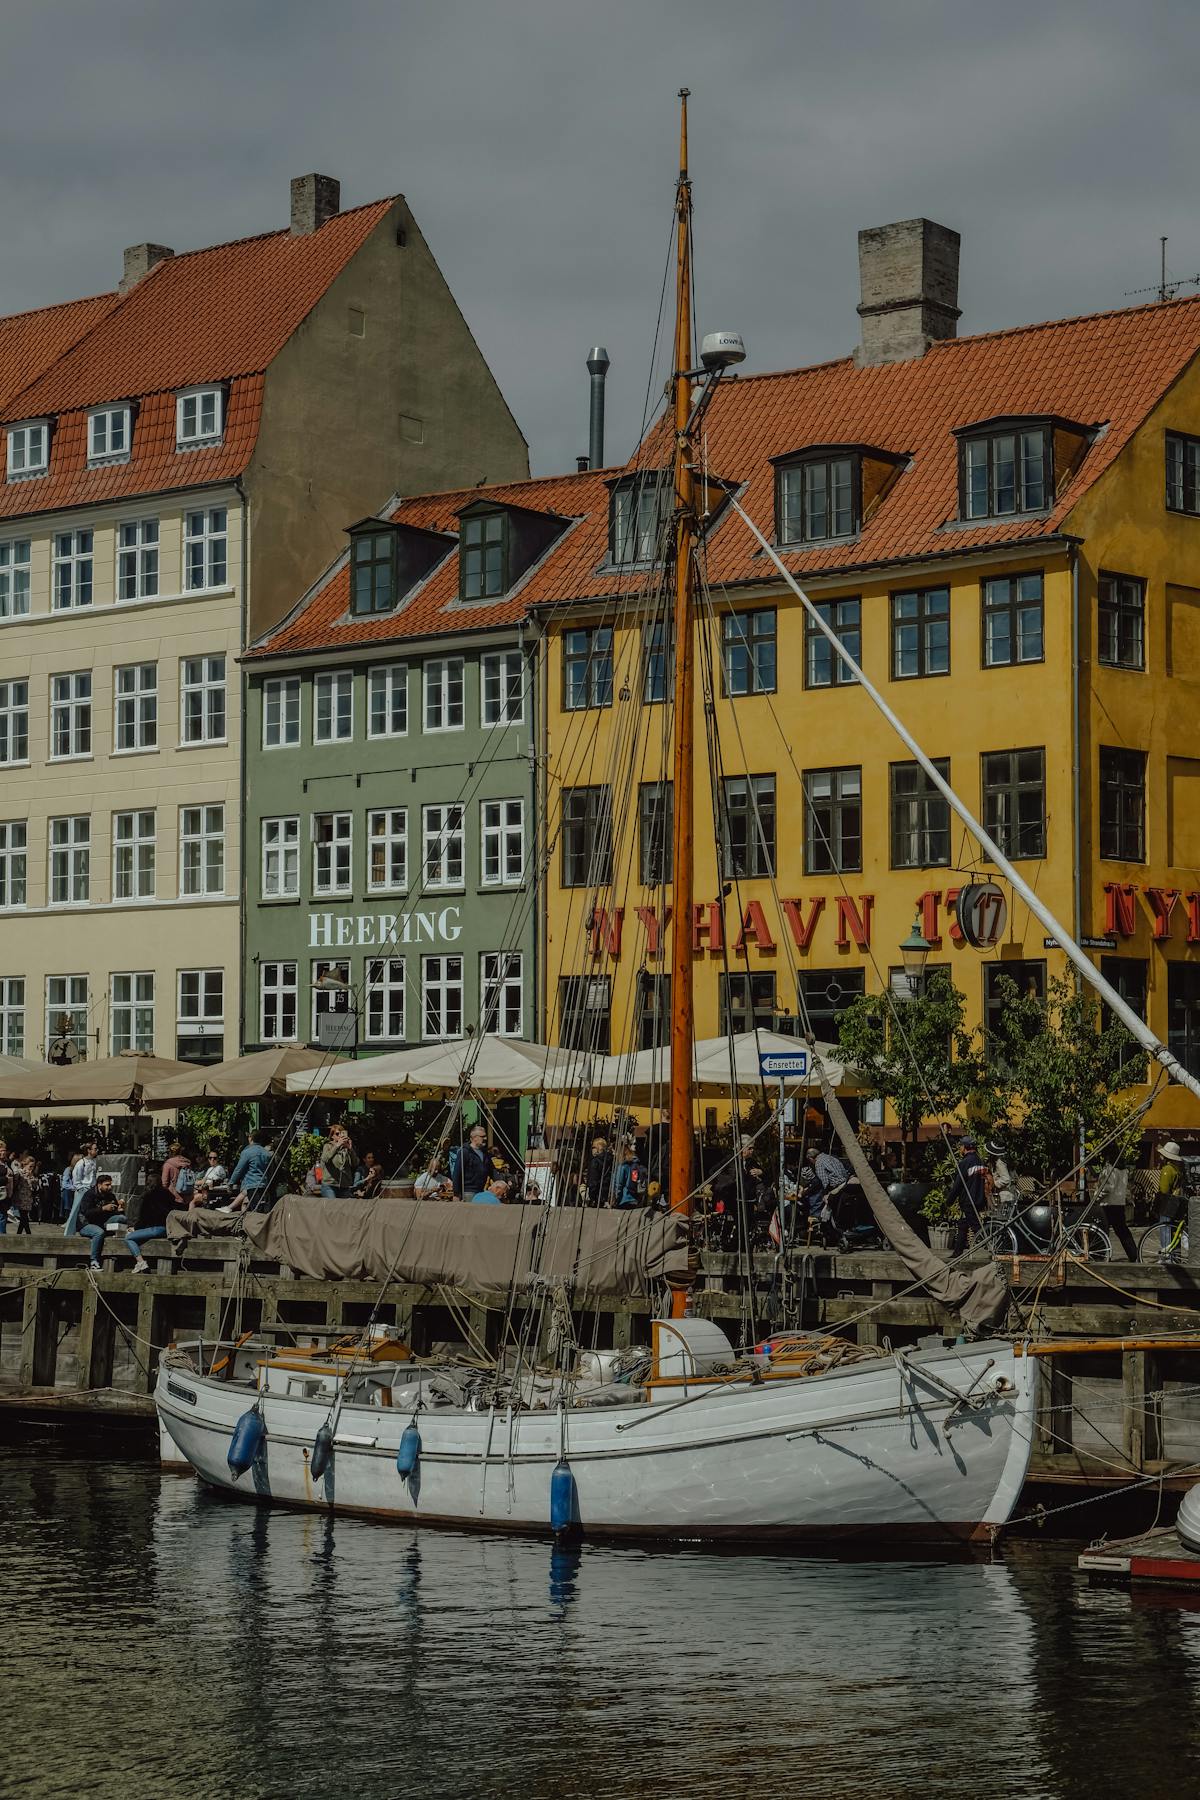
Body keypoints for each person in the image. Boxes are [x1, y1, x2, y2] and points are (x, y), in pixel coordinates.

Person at [121, 1177, 178, 1273]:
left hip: (155, 1228)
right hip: (168, 1228)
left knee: (128, 1238)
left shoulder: (148, 1196)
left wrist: (135, 1228)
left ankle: (141, 1262)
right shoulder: (169, 1194)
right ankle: (139, 1264)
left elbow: (144, 1217)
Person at [951, 1137, 992, 1255]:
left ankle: (992, 1247)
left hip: (969, 1200)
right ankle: (957, 1251)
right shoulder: (980, 1161)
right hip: (979, 1199)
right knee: (963, 1224)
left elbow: (958, 1185)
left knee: (976, 1227)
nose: (960, 1148)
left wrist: (949, 1200)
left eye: (961, 1146)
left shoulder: (965, 1163)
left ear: (965, 1147)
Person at [220, 1131, 274, 1213]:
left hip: (252, 1185)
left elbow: (239, 1169)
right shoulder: (267, 1154)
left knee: (255, 1210)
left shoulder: (247, 1152)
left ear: (251, 1139)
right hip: (264, 1185)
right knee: (257, 1208)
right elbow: (270, 1171)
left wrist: (231, 1183)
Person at [77, 1174, 120, 1270]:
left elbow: (115, 1212)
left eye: (110, 1184)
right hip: (86, 1224)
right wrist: (103, 1208)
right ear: (99, 1185)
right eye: (107, 1185)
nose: (110, 1187)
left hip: (103, 1223)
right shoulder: (89, 1195)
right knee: (99, 1232)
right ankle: (94, 1261)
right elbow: (87, 1212)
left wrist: (119, 1209)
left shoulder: (110, 1195)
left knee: (121, 1218)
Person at [805, 1144, 849, 1237]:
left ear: (810, 1158)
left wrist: (826, 1194)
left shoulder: (818, 1163)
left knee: (826, 1210)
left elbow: (825, 1181)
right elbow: (844, 1173)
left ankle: (831, 1233)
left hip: (836, 1188)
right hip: (845, 1185)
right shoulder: (830, 1157)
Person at [1157, 1140, 1187, 1260]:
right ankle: (1175, 1257)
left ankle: (1166, 1257)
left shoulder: (1167, 1169)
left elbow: (1164, 1190)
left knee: (1165, 1230)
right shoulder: (1178, 1169)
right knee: (1175, 1232)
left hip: (1167, 1204)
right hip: (1176, 1203)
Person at [63, 1139, 99, 1237]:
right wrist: (79, 1187)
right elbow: (76, 1176)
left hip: (92, 1188)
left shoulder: (95, 1162)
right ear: (89, 1150)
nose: (97, 1150)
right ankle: (69, 1232)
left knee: (90, 1209)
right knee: (75, 1210)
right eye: (95, 1149)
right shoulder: (81, 1163)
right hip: (83, 1189)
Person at [451, 1123, 491, 1201]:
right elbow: (457, 1174)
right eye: (482, 1136)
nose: (485, 1138)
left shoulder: (485, 1154)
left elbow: (492, 1171)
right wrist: (456, 1194)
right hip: (468, 1192)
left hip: (481, 1191)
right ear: (474, 1138)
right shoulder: (464, 1152)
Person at [585, 1135, 614, 1208]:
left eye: (593, 1147)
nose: (592, 1149)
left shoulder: (595, 1161)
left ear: (598, 1148)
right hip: (607, 1196)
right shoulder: (611, 1160)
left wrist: (591, 1197)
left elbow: (593, 1181)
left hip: (597, 1197)